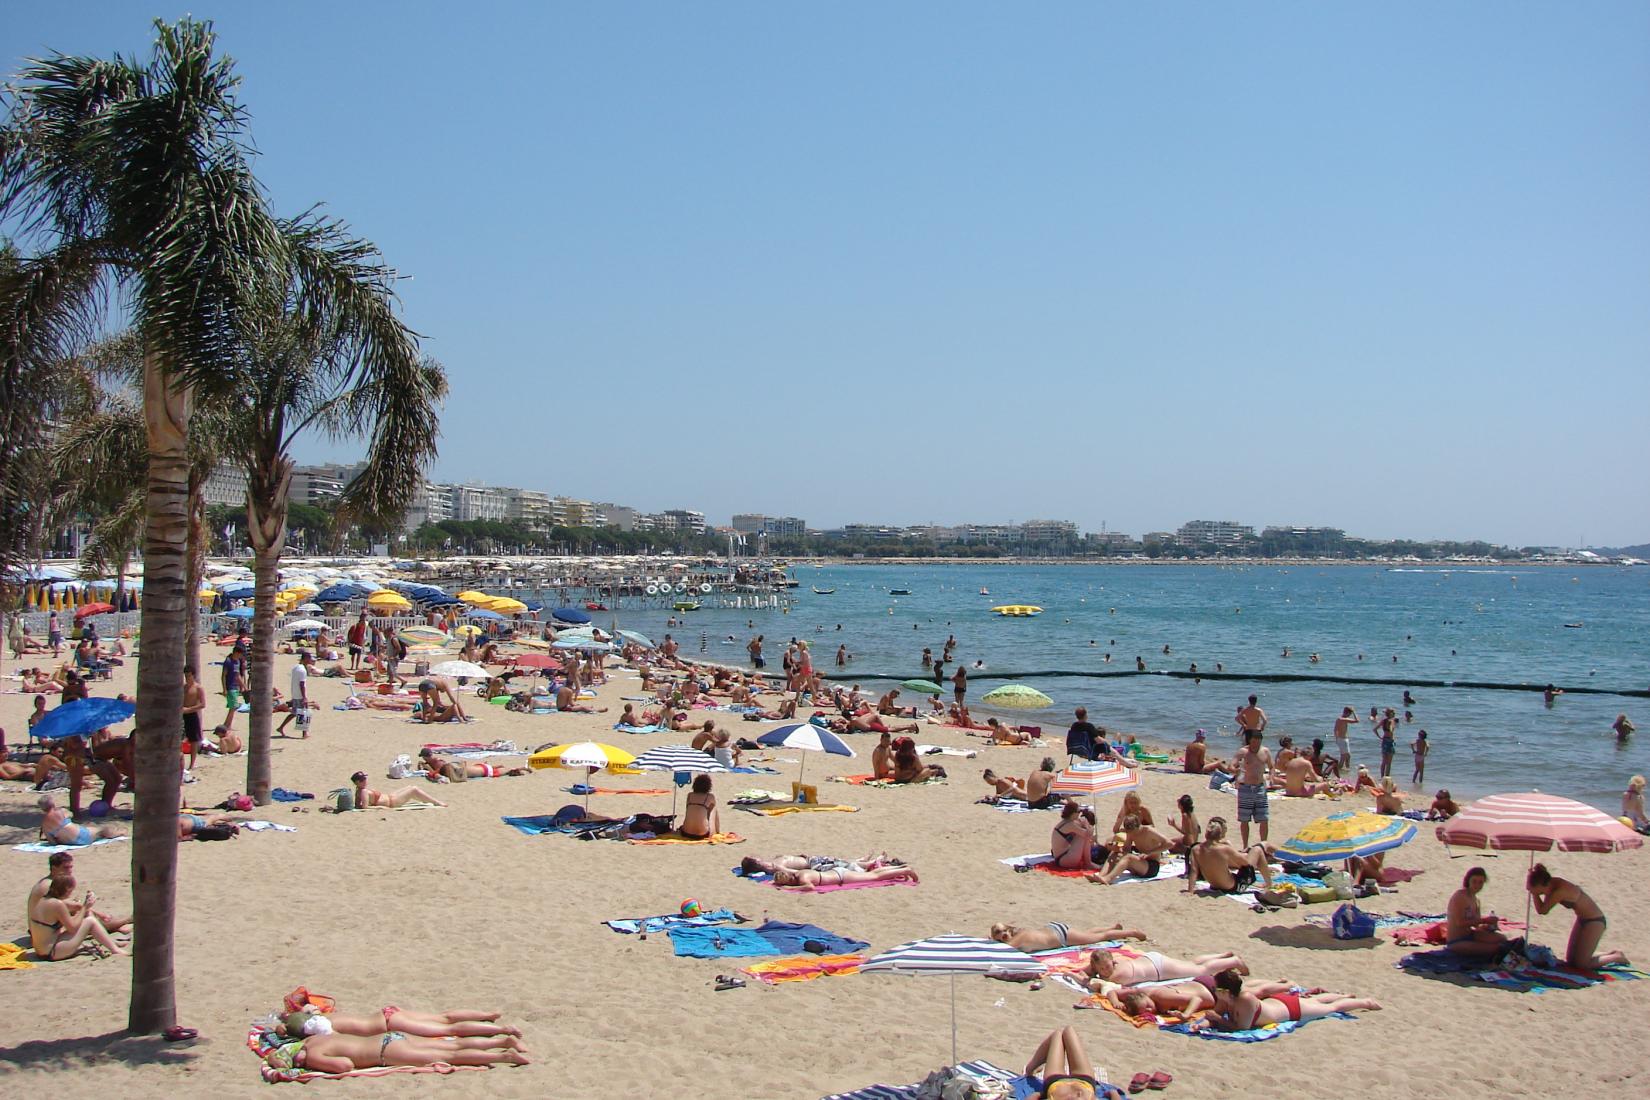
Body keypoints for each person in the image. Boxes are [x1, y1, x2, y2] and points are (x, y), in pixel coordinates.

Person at [1193, 969, 1379, 1032]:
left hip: (1290, 1010)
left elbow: (1243, 1028)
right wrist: (1202, 1025)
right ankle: (1344, 995)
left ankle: (1365, 1003)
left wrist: (1218, 1020)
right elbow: (1214, 1014)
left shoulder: (1245, 999)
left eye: (1216, 989)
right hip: (1278, 1002)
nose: (1214, 992)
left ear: (1224, 991)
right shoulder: (1227, 999)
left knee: (1330, 1008)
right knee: (1315, 1000)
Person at [261, 1030, 529, 1073]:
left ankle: (503, 1056)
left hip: (387, 1052)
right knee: (453, 1045)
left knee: (451, 1056)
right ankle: (503, 1042)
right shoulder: (316, 1039)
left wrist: (312, 1066)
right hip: (390, 1037)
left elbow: (345, 1066)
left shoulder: (315, 1055)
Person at [1527, 863, 1626, 970]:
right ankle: (1608, 953)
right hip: (1582, 919)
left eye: (1541, 892)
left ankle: (1616, 957)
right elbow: (1542, 906)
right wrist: (1534, 889)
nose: (1542, 894)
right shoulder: (1550, 884)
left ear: (1544, 885)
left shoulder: (1560, 891)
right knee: (1571, 961)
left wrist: (1534, 893)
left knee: (1582, 965)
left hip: (1594, 921)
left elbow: (1543, 910)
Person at [279, 1004, 521, 1040]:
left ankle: (501, 1029)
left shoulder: (326, 1031)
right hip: (388, 1012)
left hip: (389, 1024)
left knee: (448, 1029)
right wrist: (286, 1020)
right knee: (444, 1017)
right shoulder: (323, 1016)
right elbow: (305, 1012)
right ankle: (487, 1015)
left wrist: (287, 1032)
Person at [28, 874, 129, 960]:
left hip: (41, 951)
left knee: (85, 915)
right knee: (90, 921)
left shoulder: (43, 901)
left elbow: (75, 906)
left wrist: (90, 909)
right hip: (52, 952)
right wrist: (85, 907)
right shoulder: (57, 905)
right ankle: (115, 950)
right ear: (66, 890)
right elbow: (72, 928)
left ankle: (111, 942)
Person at [1022, 1026, 1124, 1100]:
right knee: (1069, 1030)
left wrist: (1041, 1094)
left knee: (1057, 1034)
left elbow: (1034, 1096)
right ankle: (1031, 1069)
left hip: (1055, 1082)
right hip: (1084, 1080)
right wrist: (1112, 1093)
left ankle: (1030, 1069)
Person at [1084, 947, 1247, 989]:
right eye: (1102, 969)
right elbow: (1088, 971)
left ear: (1111, 962)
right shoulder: (1115, 963)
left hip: (1158, 968)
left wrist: (1083, 976)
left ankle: (1234, 961)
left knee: (1201, 970)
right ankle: (1222, 955)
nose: (1106, 970)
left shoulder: (1113, 976)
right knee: (1192, 964)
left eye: (1106, 967)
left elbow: (1091, 982)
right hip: (1152, 962)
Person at [1188, 817, 1273, 894]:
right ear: (1220, 835)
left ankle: (1267, 883)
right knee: (1258, 850)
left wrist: (1190, 891)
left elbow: (1193, 871)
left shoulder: (1195, 849)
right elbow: (1246, 863)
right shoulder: (1224, 849)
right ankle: (1269, 884)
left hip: (1214, 886)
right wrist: (1246, 853)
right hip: (1233, 887)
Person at [1445, 866, 1514, 958]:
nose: (1477, 885)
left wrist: (1489, 926)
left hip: (1471, 935)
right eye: (1474, 881)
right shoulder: (1460, 896)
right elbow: (1460, 923)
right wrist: (1484, 920)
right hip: (1456, 940)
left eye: (1480, 882)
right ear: (1468, 881)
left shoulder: (1476, 900)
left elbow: (1476, 926)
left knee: (1502, 939)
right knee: (1496, 948)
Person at [1088, 813, 1172, 885]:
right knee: (1115, 853)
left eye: (1133, 832)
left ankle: (1108, 879)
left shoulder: (1149, 831)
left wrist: (1149, 853)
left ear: (1138, 826)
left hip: (1152, 866)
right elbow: (1126, 849)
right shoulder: (1130, 833)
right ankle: (1101, 875)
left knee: (1129, 858)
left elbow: (1169, 843)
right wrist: (1118, 849)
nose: (1132, 835)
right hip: (1141, 863)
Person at [1232, 729, 1272, 846]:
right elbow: (1232, 764)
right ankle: (1245, 845)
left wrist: (1271, 776)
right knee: (1245, 819)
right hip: (1246, 788)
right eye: (1254, 742)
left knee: (1264, 818)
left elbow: (1271, 766)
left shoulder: (1265, 751)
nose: (1256, 745)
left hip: (1260, 788)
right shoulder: (1243, 752)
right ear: (1250, 741)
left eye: (1258, 742)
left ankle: (1263, 844)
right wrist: (1234, 770)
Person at [991, 922, 1145, 952]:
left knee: (1100, 938)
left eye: (1003, 930)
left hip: (1060, 935)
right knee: (1087, 934)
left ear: (1009, 930)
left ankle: (1132, 932)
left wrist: (991, 940)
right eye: (998, 933)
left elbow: (1005, 950)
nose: (1002, 934)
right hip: (1056, 930)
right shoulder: (1019, 936)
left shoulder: (1018, 938)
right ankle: (1112, 927)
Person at [36, 794, 121, 846]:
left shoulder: (44, 825)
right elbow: (71, 814)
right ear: (52, 803)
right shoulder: (61, 812)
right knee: (101, 830)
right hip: (82, 835)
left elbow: (52, 842)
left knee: (90, 828)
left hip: (70, 842)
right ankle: (120, 833)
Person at [771, 865, 919, 890]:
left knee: (874, 876)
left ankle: (906, 870)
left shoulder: (803, 878)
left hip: (841, 876)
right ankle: (900, 869)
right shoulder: (799, 873)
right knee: (872, 874)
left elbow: (809, 887)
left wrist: (788, 887)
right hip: (838, 873)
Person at [350, 771, 445, 809]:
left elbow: (357, 805)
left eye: (365, 778)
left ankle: (427, 800)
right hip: (392, 802)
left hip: (390, 797)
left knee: (410, 787)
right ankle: (436, 802)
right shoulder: (363, 791)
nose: (366, 780)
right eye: (363, 779)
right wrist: (379, 807)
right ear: (358, 782)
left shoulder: (359, 790)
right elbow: (365, 808)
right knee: (414, 789)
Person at [1050, 801, 1097, 870]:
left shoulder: (1066, 822)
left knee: (1081, 835)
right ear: (1073, 813)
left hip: (1061, 858)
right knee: (1083, 836)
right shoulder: (1070, 825)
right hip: (1065, 859)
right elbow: (1088, 834)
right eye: (1079, 811)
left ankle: (1088, 863)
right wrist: (1087, 824)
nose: (1079, 814)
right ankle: (1088, 863)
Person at [277, 652, 314, 737]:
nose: (310, 660)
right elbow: (302, 684)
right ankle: (304, 734)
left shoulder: (295, 667)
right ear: (305, 659)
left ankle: (281, 727)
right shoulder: (302, 670)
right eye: (309, 658)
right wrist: (304, 697)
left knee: (294, 713)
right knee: (304, 712)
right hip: (299, 695)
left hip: (295, 693)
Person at [180, 664, 207, 771]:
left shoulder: (198, 688)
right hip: (182, 715)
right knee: (180, 739)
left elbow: (203, 704)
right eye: (186, 676)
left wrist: (189, 709)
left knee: (194, 741)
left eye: (189, 676)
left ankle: (192, 764)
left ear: (193, 675)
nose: (187, 678)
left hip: (191, 715)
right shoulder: (183, 687)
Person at [680, 774, 720, 839]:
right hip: (703, 833)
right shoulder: (710, 796)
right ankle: (716, 831)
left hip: (685, 832)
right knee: (713, 808)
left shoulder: (690, 795)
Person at [1332, 706, 1358, 772]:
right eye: (1350, 714)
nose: (1350, 716)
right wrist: (1354, 712)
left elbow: (1335, 730)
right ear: (1347, 712)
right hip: (1342, 740)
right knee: (1343, 757)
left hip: (1342, 739)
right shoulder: (1342, 719)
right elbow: (1357, 720)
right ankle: (1338, 771)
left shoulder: (1341, 719)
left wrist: (1336, 739)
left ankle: (1347, 769)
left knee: (1348, 756)